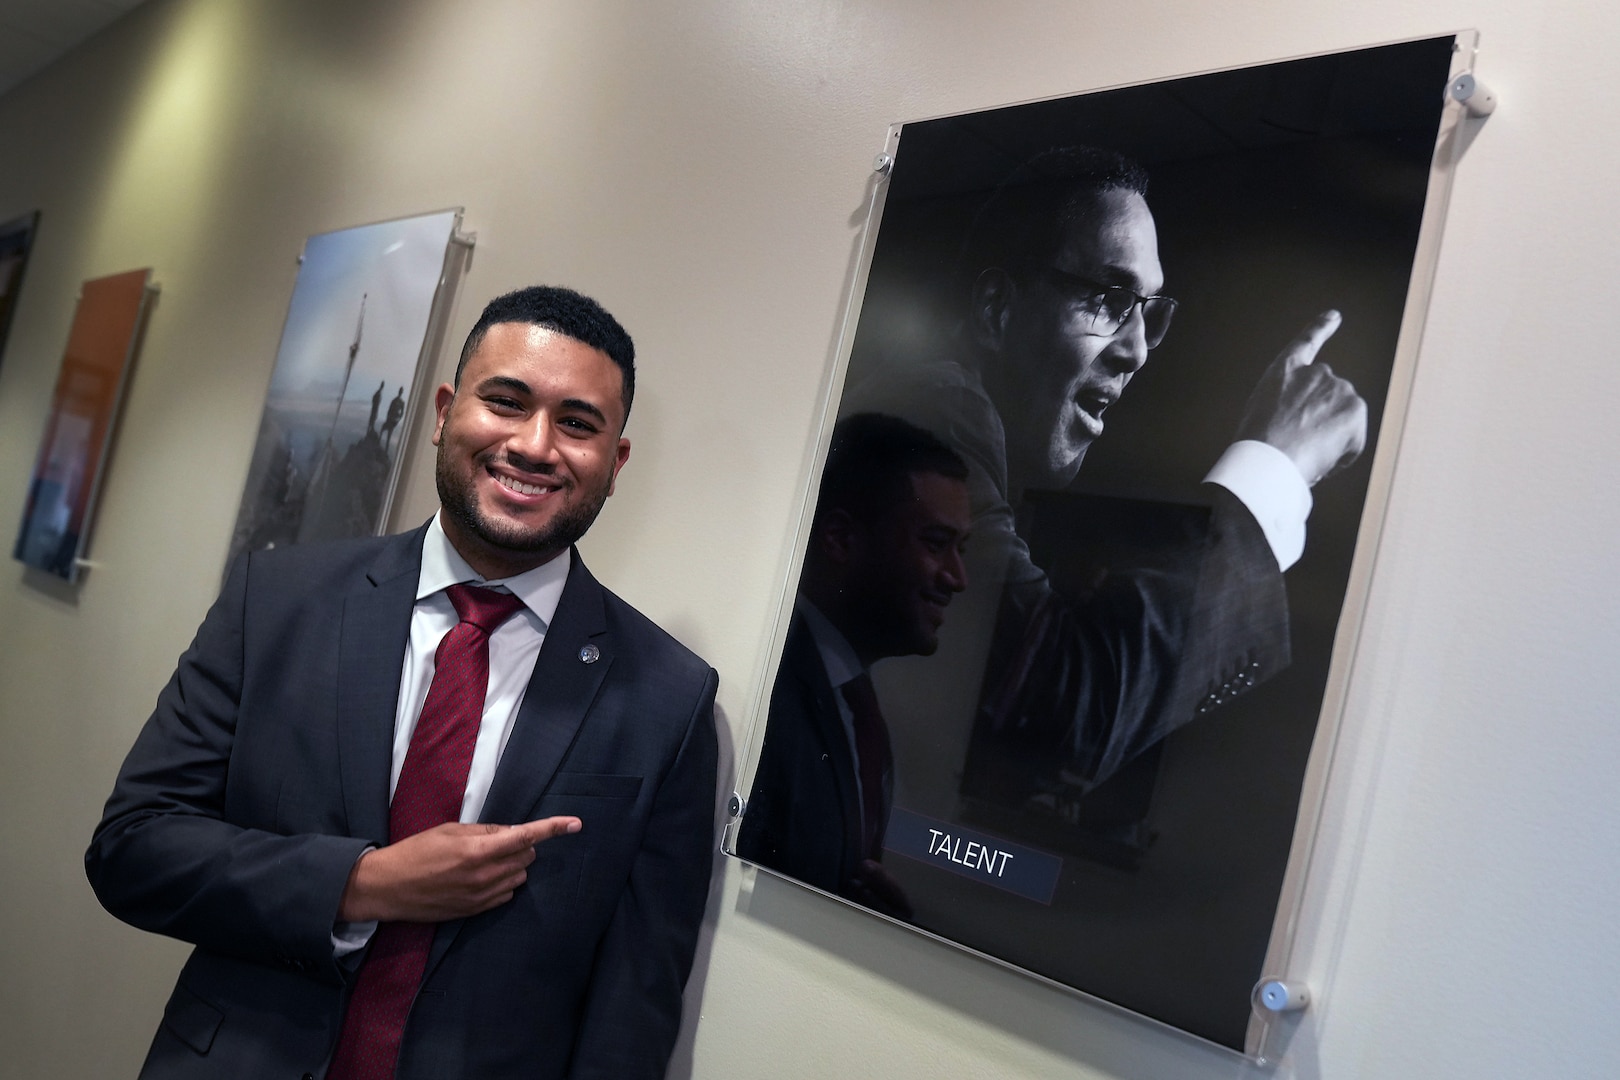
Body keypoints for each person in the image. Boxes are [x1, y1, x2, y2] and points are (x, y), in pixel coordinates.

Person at [85, 285, 720, 1080]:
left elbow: (635, 1002)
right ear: (444, 411)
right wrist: (361, 883)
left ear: (615, 461)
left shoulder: (670, 696)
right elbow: (134, 849)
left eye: (578, 423)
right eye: (507, 402)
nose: (534, 444)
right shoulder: (277, 603)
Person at [844, 145, 1367, 797]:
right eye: (1111, 299)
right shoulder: (928, 409)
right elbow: (1062, 703)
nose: (1138, 350)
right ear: (996, 311)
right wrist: (1274, 468)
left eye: (1151, 312)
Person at [736, 413, 971, 918]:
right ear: (841, 539)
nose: (957, 577)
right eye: (935, 543)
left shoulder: (852, 705)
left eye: (961, 548)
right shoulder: (764, 692)